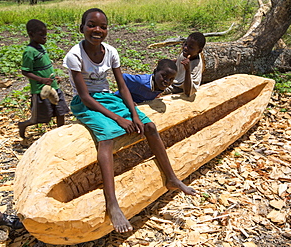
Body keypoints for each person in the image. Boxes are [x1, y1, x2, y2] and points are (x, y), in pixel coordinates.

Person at [63, 8, 197, 234]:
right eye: (91, 25)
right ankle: (112, 203)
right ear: (82, 28)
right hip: (85, 102)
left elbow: (122, 87)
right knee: (107, 136)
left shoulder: (111, 52)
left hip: (107, 97)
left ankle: (172, 178)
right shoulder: (74, 55)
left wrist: (134, 114)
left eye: (103, 26)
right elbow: (85, 96)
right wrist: (117, 118)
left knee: (150, 126)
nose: (97, 30)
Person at [18, 19, 70, 141]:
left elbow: (45, 67)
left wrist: (53, 78)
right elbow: (25, 71)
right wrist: (41, 80)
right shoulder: (29, 52)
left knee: (60, 111)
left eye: (45, 35)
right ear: (31, 34)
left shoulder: (41, 47)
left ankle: (59, 135)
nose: (45, 38)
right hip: (41, 90)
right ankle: (23, 125)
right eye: (41, 35)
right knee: (40, 118)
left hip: (53, 86)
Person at [163, 32, 206, 97]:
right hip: (172, 81)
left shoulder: (196, 67)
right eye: (185, 44)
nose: (185, 48)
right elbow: (179, 61)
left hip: (177, 89)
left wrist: (187, 70)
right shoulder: (187, 53)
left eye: (191, 47)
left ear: (199, 51)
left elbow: (188, 92)